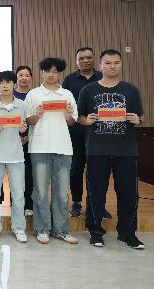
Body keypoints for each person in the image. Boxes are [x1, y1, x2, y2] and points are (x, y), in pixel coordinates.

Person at [78, 49, 145, 249]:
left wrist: (138, 120)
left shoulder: (131, 90)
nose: (112, 66)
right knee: (95, 193)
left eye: (116, 62)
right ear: (100, 66)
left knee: (129, 194)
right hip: (97, 149)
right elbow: (79, 118)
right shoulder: (88, 90)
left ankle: (127, 234)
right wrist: (87, 120)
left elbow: (140, 117)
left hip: (126, 150)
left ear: (121, 64)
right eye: (108, 63)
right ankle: (95, 232)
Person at [25, 57, 78, 245]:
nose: (51, 74)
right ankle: (42, 229)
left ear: (60, 73)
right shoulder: (33, 94)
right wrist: (37, 115)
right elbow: (28, 120)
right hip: (40, 147)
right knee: (40, 191)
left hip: (63, 147)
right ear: (42, 73)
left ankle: (61, 230)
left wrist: (68, 115)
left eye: (55, 71)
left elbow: (72, 122)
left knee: (62, 192)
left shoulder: (67, 94)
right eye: (47, 71)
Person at [62, 47, 111, 219]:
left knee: (98, 170)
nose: (85, 61)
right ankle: (76, 202)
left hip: (100, 132)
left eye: (88, 57)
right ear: (77, 62)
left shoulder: (103, 77)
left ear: (94, 59)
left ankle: (97, 205)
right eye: (81, 58)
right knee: (76, 169)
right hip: (76, 132)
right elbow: (64, 104)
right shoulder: (69, 80)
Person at [0, 71, 28, 243]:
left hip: (16, 155)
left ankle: (19, 228)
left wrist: (23, 130)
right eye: (1, 83)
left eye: (8, 82)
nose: (5, 85)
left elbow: (26, 126)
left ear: (13, 84)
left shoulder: (22, 105)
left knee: (18, 195)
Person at [14, 65, 34, 216]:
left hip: (31, 140)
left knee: (29, 174)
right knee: (14, 175)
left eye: (27, 75)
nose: (24, 78)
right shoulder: (10, 95)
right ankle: (15, 205)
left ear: (31, 78)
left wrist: (27, 136)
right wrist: (17, 136)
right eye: (21, 75)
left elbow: (35, 118)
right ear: (16, 77)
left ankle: (29, 205)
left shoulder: (34, 95)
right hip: (12, 141)